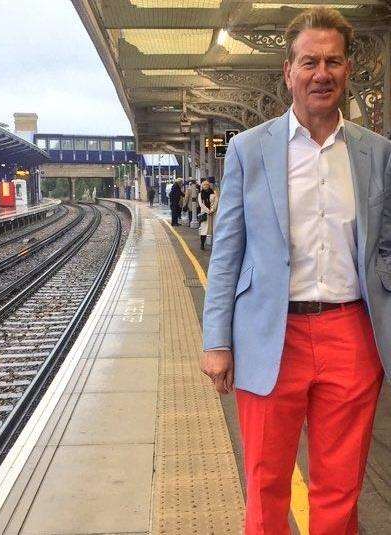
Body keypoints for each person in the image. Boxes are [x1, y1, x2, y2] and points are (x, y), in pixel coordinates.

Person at [201, 7, 391, 534]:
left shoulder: (378, 153)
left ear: (348, 69)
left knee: (341, 485)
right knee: (265, 482)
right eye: (309, 61)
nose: (321, 73)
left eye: (332, 61)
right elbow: (227, 252)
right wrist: (216, 340)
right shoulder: (249, 149)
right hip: (268, 335)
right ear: (288, 71)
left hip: (351, 333)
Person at [198, 180, 216, 250]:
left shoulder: (213, 193)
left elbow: (216, 202)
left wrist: (212, 210)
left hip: (213, 213)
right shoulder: (200, 194)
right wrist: (208, 211)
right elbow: (201, 204)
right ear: (202, 186)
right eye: (204, 185)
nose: (206, 186)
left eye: (207, 185)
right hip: (205, 213)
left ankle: (213, 244)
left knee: (213, 229)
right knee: (204, 229)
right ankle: (202, 244)